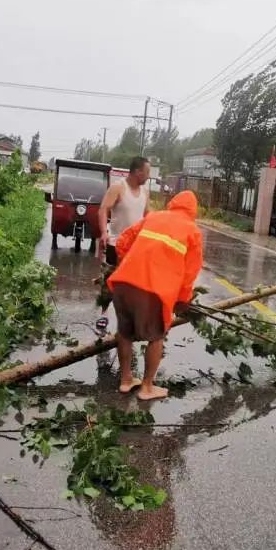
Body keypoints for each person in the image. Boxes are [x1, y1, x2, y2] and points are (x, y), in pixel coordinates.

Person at [107, 190, 203, 401]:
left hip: (122, 283)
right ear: (193, 211)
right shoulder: (192, 231)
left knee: (124, 333)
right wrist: (182, 301)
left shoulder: (154, 216)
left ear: (173, 204)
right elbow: (189, 274)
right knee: (156, 336)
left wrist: (128, 265)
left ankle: (125, 380)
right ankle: (147, 387)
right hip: (152, 291)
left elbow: (122, 241)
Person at [95, 157, 150, 329]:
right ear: (137, 171)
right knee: (109, 280)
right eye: (147, 172)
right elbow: (103, 209)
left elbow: (147, 215)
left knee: (133, 283)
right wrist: (104, 232)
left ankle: (130, 317)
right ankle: (103, 313)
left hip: (136, 247)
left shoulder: (145, 193)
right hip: (116, 244)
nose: (148, 176)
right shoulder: (119, 188)